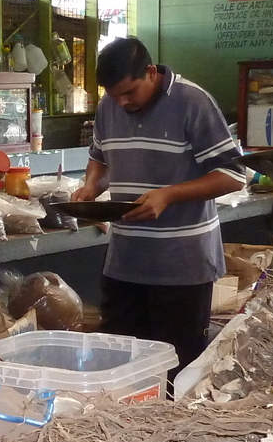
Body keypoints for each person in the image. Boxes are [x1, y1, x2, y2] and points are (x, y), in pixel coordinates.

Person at [70, 37, 247, 370]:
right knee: (121, 367)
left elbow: (234, 175)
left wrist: (169, 194)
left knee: (176, 369)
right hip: (125, 263)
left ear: (151, 72)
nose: (122, 103)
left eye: (129, 93)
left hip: (183, 267)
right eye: (113, 95)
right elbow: (101, 159)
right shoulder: (110, 105)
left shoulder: (192, 102)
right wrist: (91, 187)